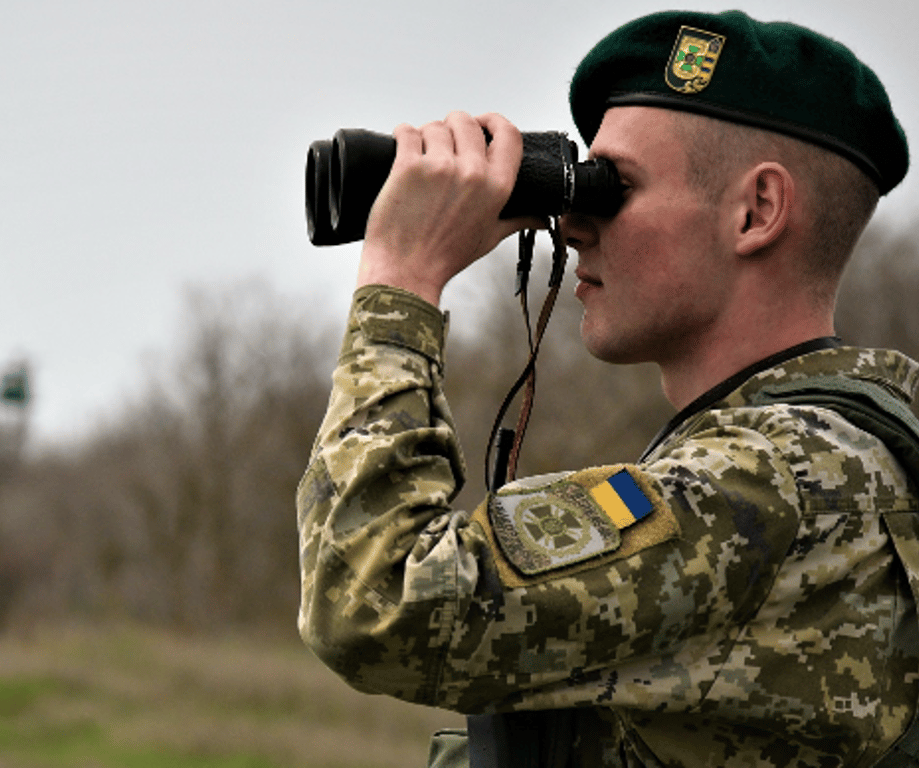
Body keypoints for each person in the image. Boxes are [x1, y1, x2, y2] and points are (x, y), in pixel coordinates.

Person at [296, 10, 919, 767]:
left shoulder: (774, 482)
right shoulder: (849, 456)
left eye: (613, 187)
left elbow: (376, 603)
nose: (572, 225)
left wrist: (401, 279)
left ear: (756, 211)